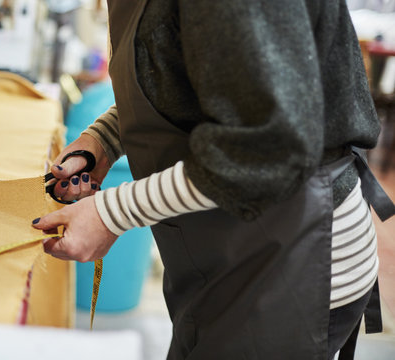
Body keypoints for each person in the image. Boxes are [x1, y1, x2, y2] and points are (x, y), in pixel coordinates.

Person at [31, 1, 395, 359]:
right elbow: (190, 78)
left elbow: (265, 142)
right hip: (222, 252)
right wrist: (105, 140)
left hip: (292, 261)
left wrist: (113, 213)